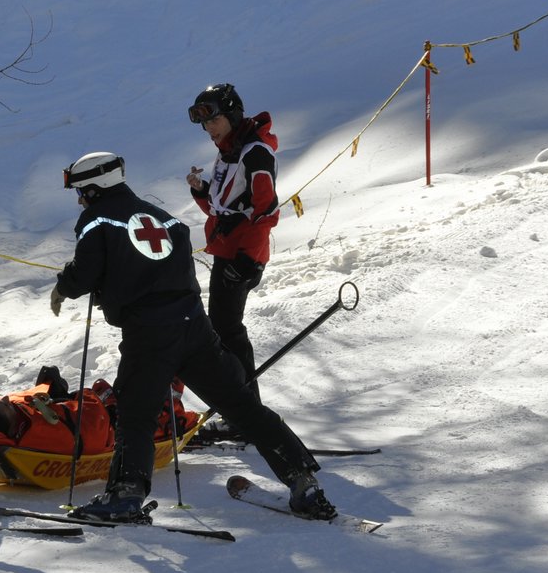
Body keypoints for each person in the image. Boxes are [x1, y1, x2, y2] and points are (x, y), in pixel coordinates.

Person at [50, 151, 336, 522]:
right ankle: (304, 482)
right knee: (241, 403)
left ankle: (124, 495)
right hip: (194, 325)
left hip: (149, 331)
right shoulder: (167, 220)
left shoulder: (97, 219)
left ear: (94, 188)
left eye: (81, 192)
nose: (79, 201)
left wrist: (63, 286)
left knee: (136, 412)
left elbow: (86, 273)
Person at [185, 83, 280, 393]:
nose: (208, 129)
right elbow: (221, 209)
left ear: (232, 114)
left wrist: (247, 261)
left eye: (213, 120)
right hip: (228, 251)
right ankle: (241, 406)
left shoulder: (254, 153)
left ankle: (246, 408)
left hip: (242, 256)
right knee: (223, 330)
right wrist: (200, 190)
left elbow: (266, 211)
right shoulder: (230, 151)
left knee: (227, 330)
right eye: (203, 124)